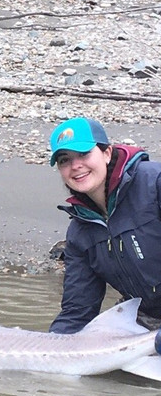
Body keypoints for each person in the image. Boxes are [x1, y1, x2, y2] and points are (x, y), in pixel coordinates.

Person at [47, 116, 161, 333]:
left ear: (106, 153)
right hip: (147, 320)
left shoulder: (155, 183)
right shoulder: (79, 232)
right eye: (64, 160)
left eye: (83, 153)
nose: (75, 166)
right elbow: (77, 313)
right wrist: (48, 350)